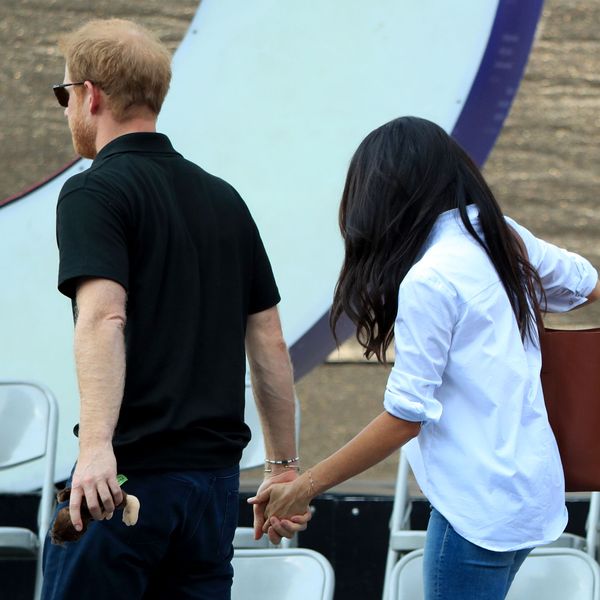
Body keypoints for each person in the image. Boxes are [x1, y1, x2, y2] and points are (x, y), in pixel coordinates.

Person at [249, 116, 600, 599]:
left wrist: (305, 485)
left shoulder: (431, 279)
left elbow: (405, 418)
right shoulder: (500, 237)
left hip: (473, 509)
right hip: (528, 493)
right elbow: (585, 285)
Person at [43, 18, 307, 600]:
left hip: (124, 481)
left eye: (64, 94)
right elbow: (268, 339)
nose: (65, 110)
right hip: (211, 491)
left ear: (91, 95)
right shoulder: (224, 198)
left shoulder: (93, 190)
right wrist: (283, 465)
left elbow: (104, 317)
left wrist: (95, 450)